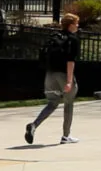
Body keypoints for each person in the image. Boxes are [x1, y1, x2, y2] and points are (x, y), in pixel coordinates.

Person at [25, 11, 83, 145]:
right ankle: (65, 136)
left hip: (49, 75)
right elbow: (70, 61)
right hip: (63, 75)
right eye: (76, 23)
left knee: (52, 103)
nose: (78, 26)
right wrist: (69, 81)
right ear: (71, 25)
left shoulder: (54, 37)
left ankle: (34, 125)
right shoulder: (72, 39)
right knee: (68, 104)